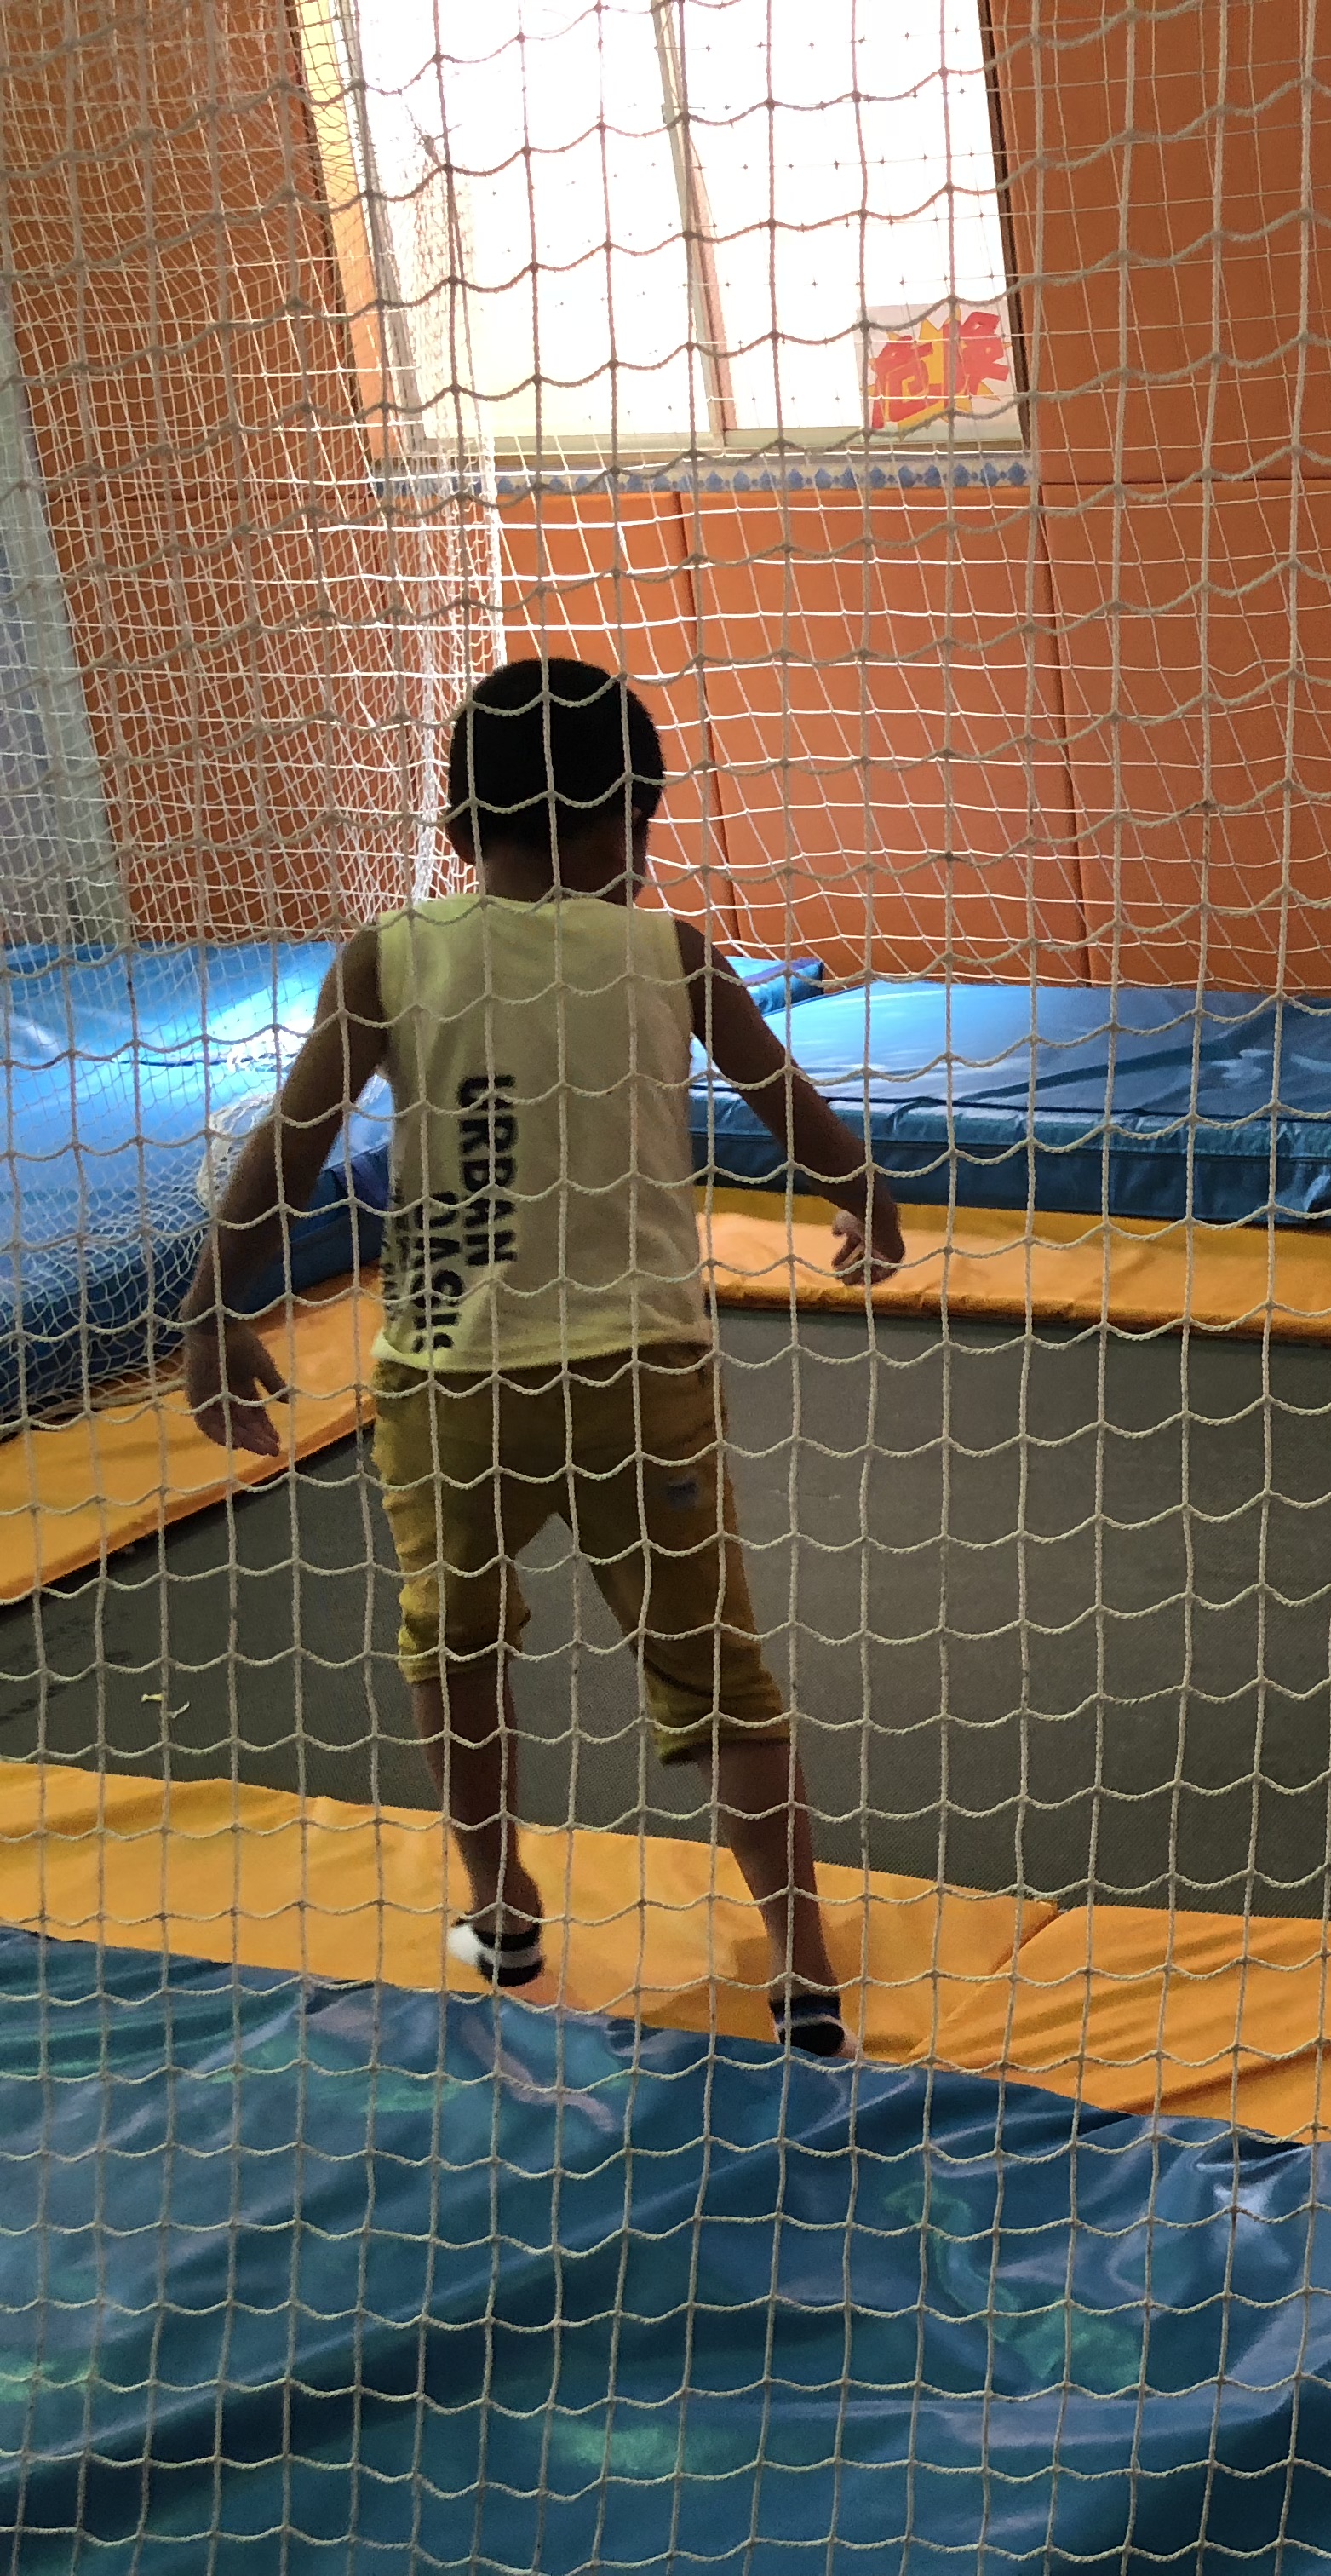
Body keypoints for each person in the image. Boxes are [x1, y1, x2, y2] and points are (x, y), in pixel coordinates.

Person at [178, 656, 905, 2056]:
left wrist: (217, 1310)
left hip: (451, 1373)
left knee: (456, 1645)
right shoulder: (668, 949)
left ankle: (503, 1910)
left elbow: (296, 1138)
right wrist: (857, 1187)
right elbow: (780, 1089)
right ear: (636, 821)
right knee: (717, 1670)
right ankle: (803, 1970)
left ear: (456, 830)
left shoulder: (392, 952)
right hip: (640, 1368)